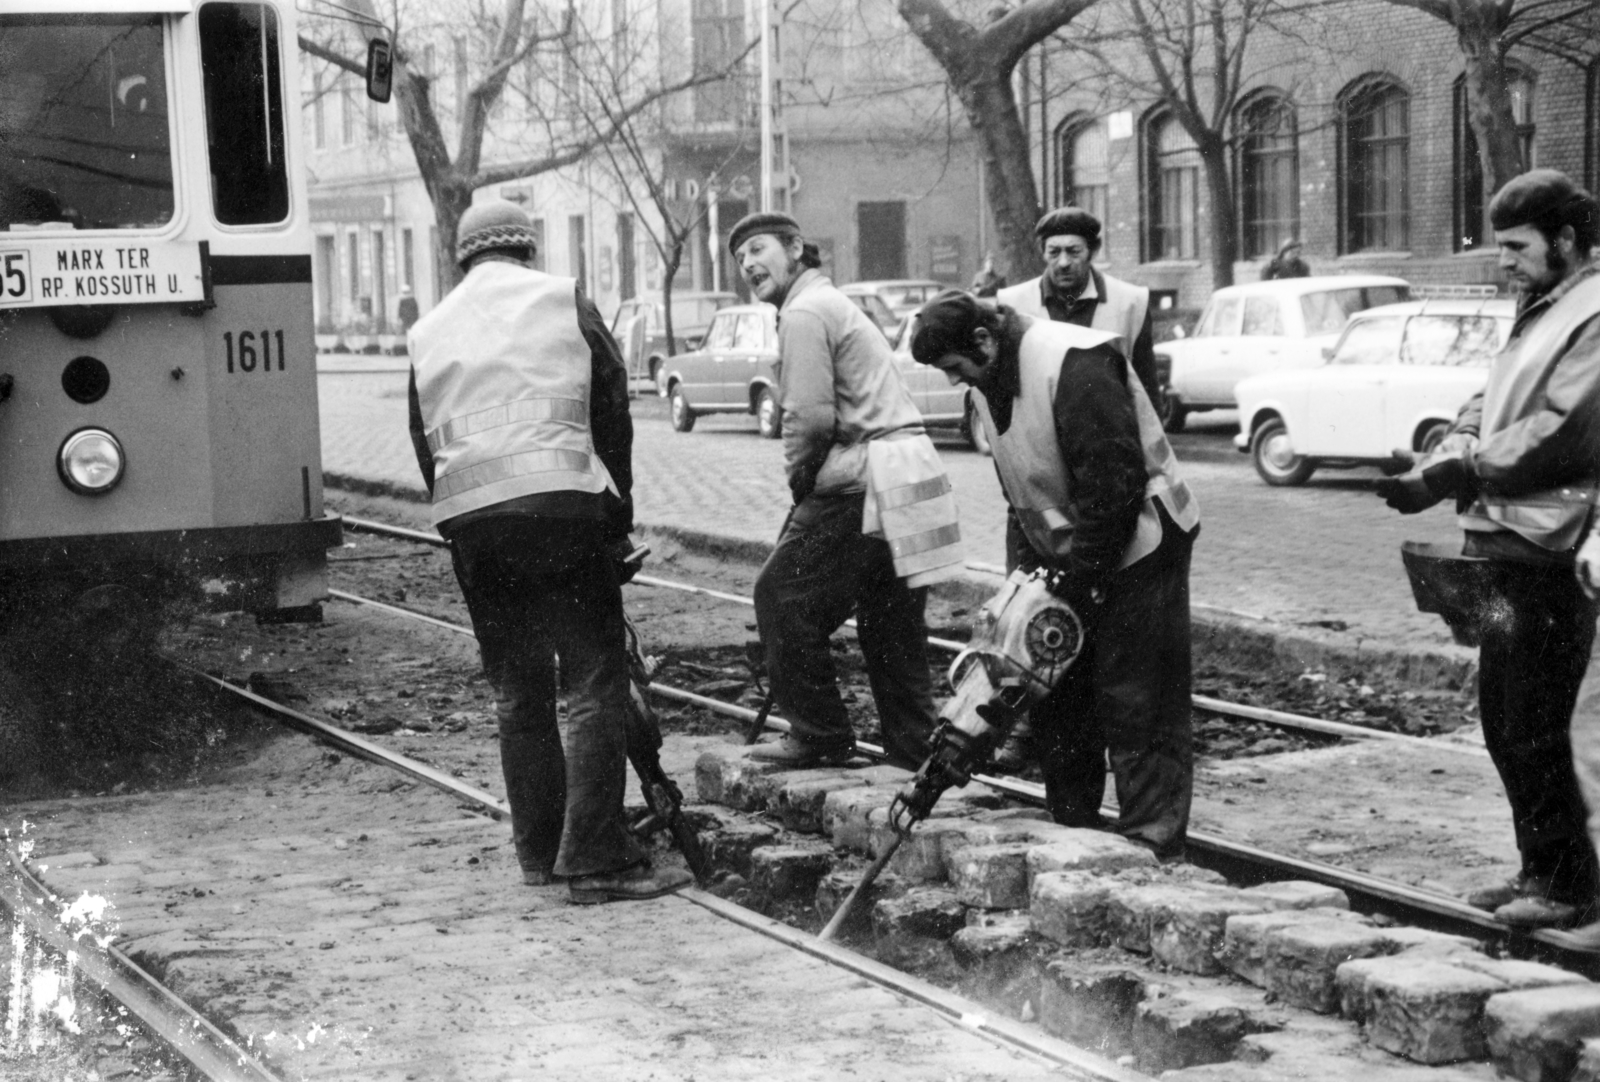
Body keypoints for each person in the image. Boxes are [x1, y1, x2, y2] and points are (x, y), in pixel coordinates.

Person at [407, 200, 690, 905]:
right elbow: (612, 404)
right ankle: (594, 860)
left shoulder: (429, 328)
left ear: (462, 258)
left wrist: (460, 523)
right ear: (526, 251)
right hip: (564, 513)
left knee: (517, 693)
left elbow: (424, 440)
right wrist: (615, 511)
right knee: (592, 684)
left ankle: (538, 853)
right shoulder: (561, 299)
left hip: (475, 526)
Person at [1377, 168, 1600, 929]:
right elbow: (1494, 394)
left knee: (1532, 716)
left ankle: (1567, 884)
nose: (1502, 260)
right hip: (1507, 544)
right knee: (1506, 716)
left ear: (1565, 241)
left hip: (1549, 551)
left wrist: (1463, 466)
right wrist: (1456, 439)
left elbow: (1566, 431)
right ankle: (1541, 867)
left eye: (1516, 245)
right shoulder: (1544, 306)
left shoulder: (1592, 313)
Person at [909, 289, 1201, 858]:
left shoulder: (1074, 361)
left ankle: (1152, 841)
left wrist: (1082, 580)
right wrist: (1035, 581)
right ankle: (1072, 827)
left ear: (984, 341)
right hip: (1072, 546)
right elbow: (1022, 490)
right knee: (1053, 687)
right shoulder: (988, 384)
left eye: (953, 368)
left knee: (1135, 696)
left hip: (1143, 543)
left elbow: (1114, 485)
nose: (952, 382)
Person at [731, 211, 960, 770]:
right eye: (741, 259)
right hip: (916, 473)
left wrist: (801, 488)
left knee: (780, 598)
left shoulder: (805, 311)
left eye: (759, 250)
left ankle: (820, 734)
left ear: (796, 249)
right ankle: (913, 759)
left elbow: (806, 419)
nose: (749, 265)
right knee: (893, 627)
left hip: (867, 477)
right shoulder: (834, 303)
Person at [997, 206, 1160, 405]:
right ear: (1042, 251)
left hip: (1108, 432)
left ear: (1094, 250)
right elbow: (1003, 389)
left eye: (1074, 252)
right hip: (1041, 432)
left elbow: (1147, 387)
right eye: (1054, 252)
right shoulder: (1011, 303)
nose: (1064, 262)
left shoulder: (1132, 302)